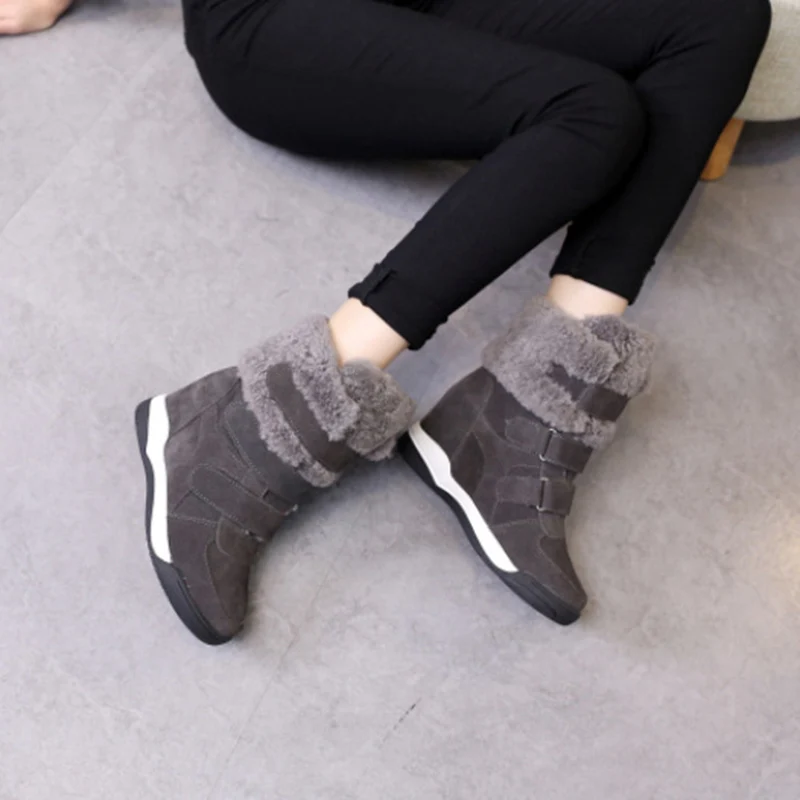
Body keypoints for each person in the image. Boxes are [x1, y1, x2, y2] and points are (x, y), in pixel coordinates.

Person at [5, 0, 771, 644]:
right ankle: (243, 426)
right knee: (591, 114)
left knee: (724, 17)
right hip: (272, 21)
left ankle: (519, 419)